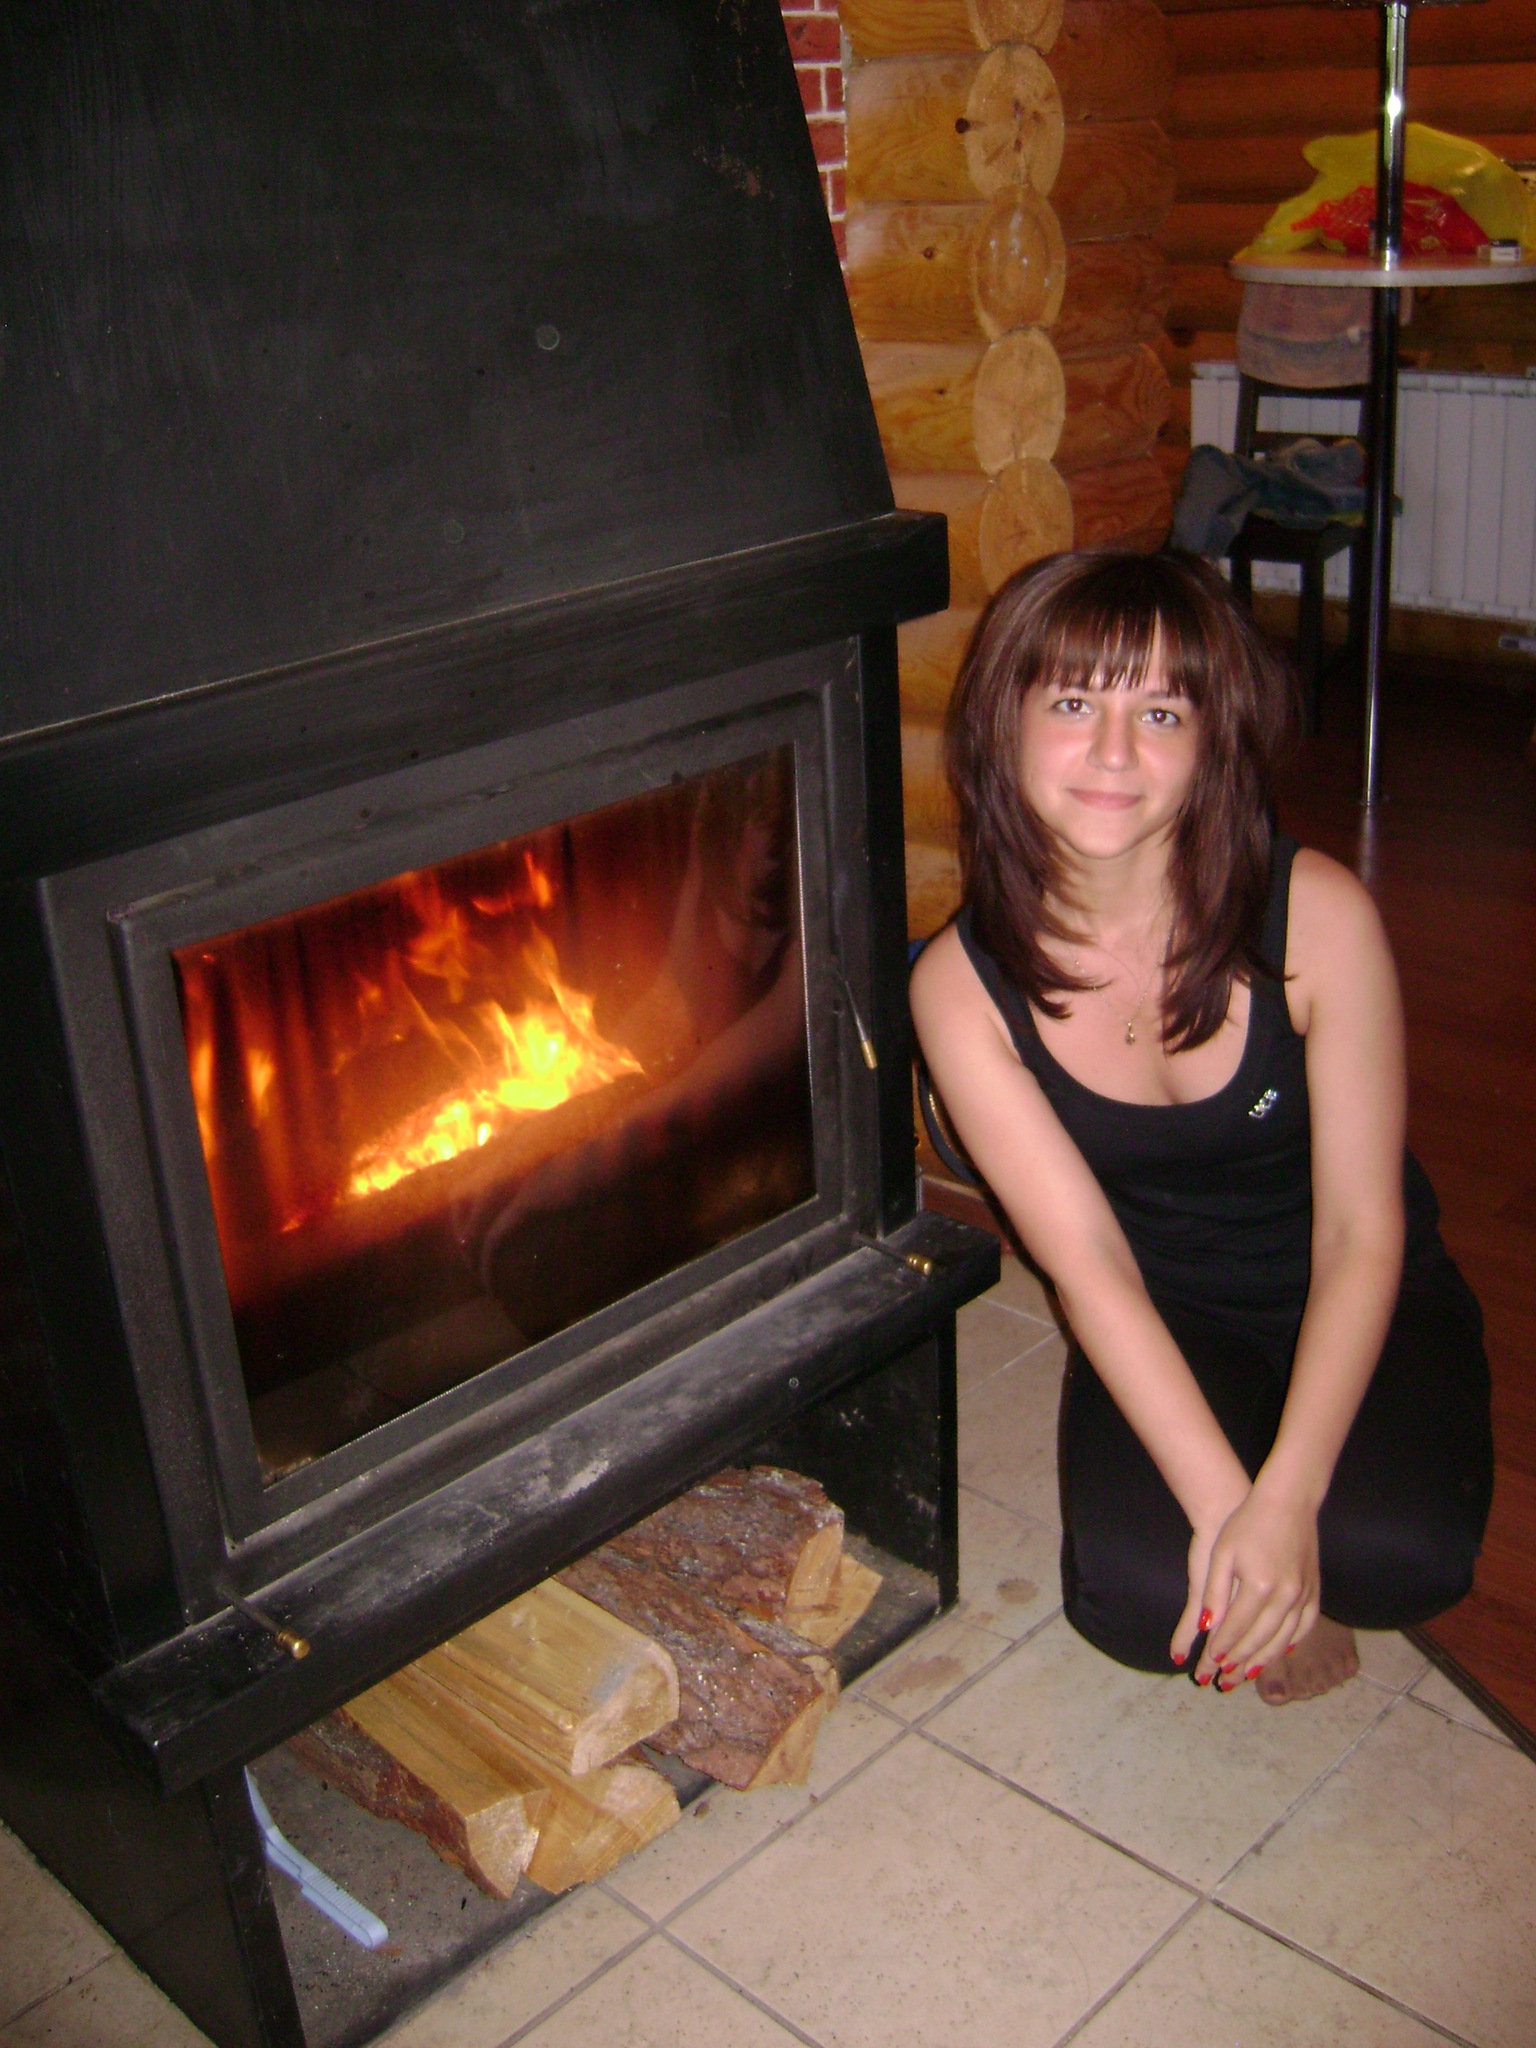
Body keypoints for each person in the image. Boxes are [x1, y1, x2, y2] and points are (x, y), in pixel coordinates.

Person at [910, 550, 1492, 1702]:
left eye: (1161, 712)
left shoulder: (1315, 916)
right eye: (1073, 702)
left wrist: (1290, 1497)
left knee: (1400, 1555)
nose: (1113, 751)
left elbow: (1361, 1234)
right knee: (1134, 1604)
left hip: (1351, 1287)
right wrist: (1236, 1516)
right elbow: (1093, 1269)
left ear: (1210, 742)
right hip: (1169, 1310)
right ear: (1002, 724)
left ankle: (1313, 1526)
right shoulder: (960, 991)